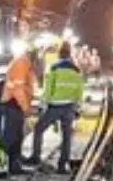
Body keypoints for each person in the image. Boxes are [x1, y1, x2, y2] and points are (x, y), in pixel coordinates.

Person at [25, 42, 85, 173]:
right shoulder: (76, 71)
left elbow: (48, 89)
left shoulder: (54, 68)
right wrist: (78, 107)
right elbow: (80, 91)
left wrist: (42, 104)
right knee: (67, 136)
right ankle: (62, 165)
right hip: (69, 107)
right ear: (70, 55)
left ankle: (36, 156)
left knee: (38, 129)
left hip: (55, 106)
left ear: (59, 54)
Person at [0, 47, 36, 175]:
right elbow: (18, 88)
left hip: (14, 104)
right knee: (11, 138)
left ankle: (14, 166)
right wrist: (25, 108)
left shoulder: (24, 63)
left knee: (16, 136)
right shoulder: (22, 63)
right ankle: (1, 166)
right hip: (13, 104)